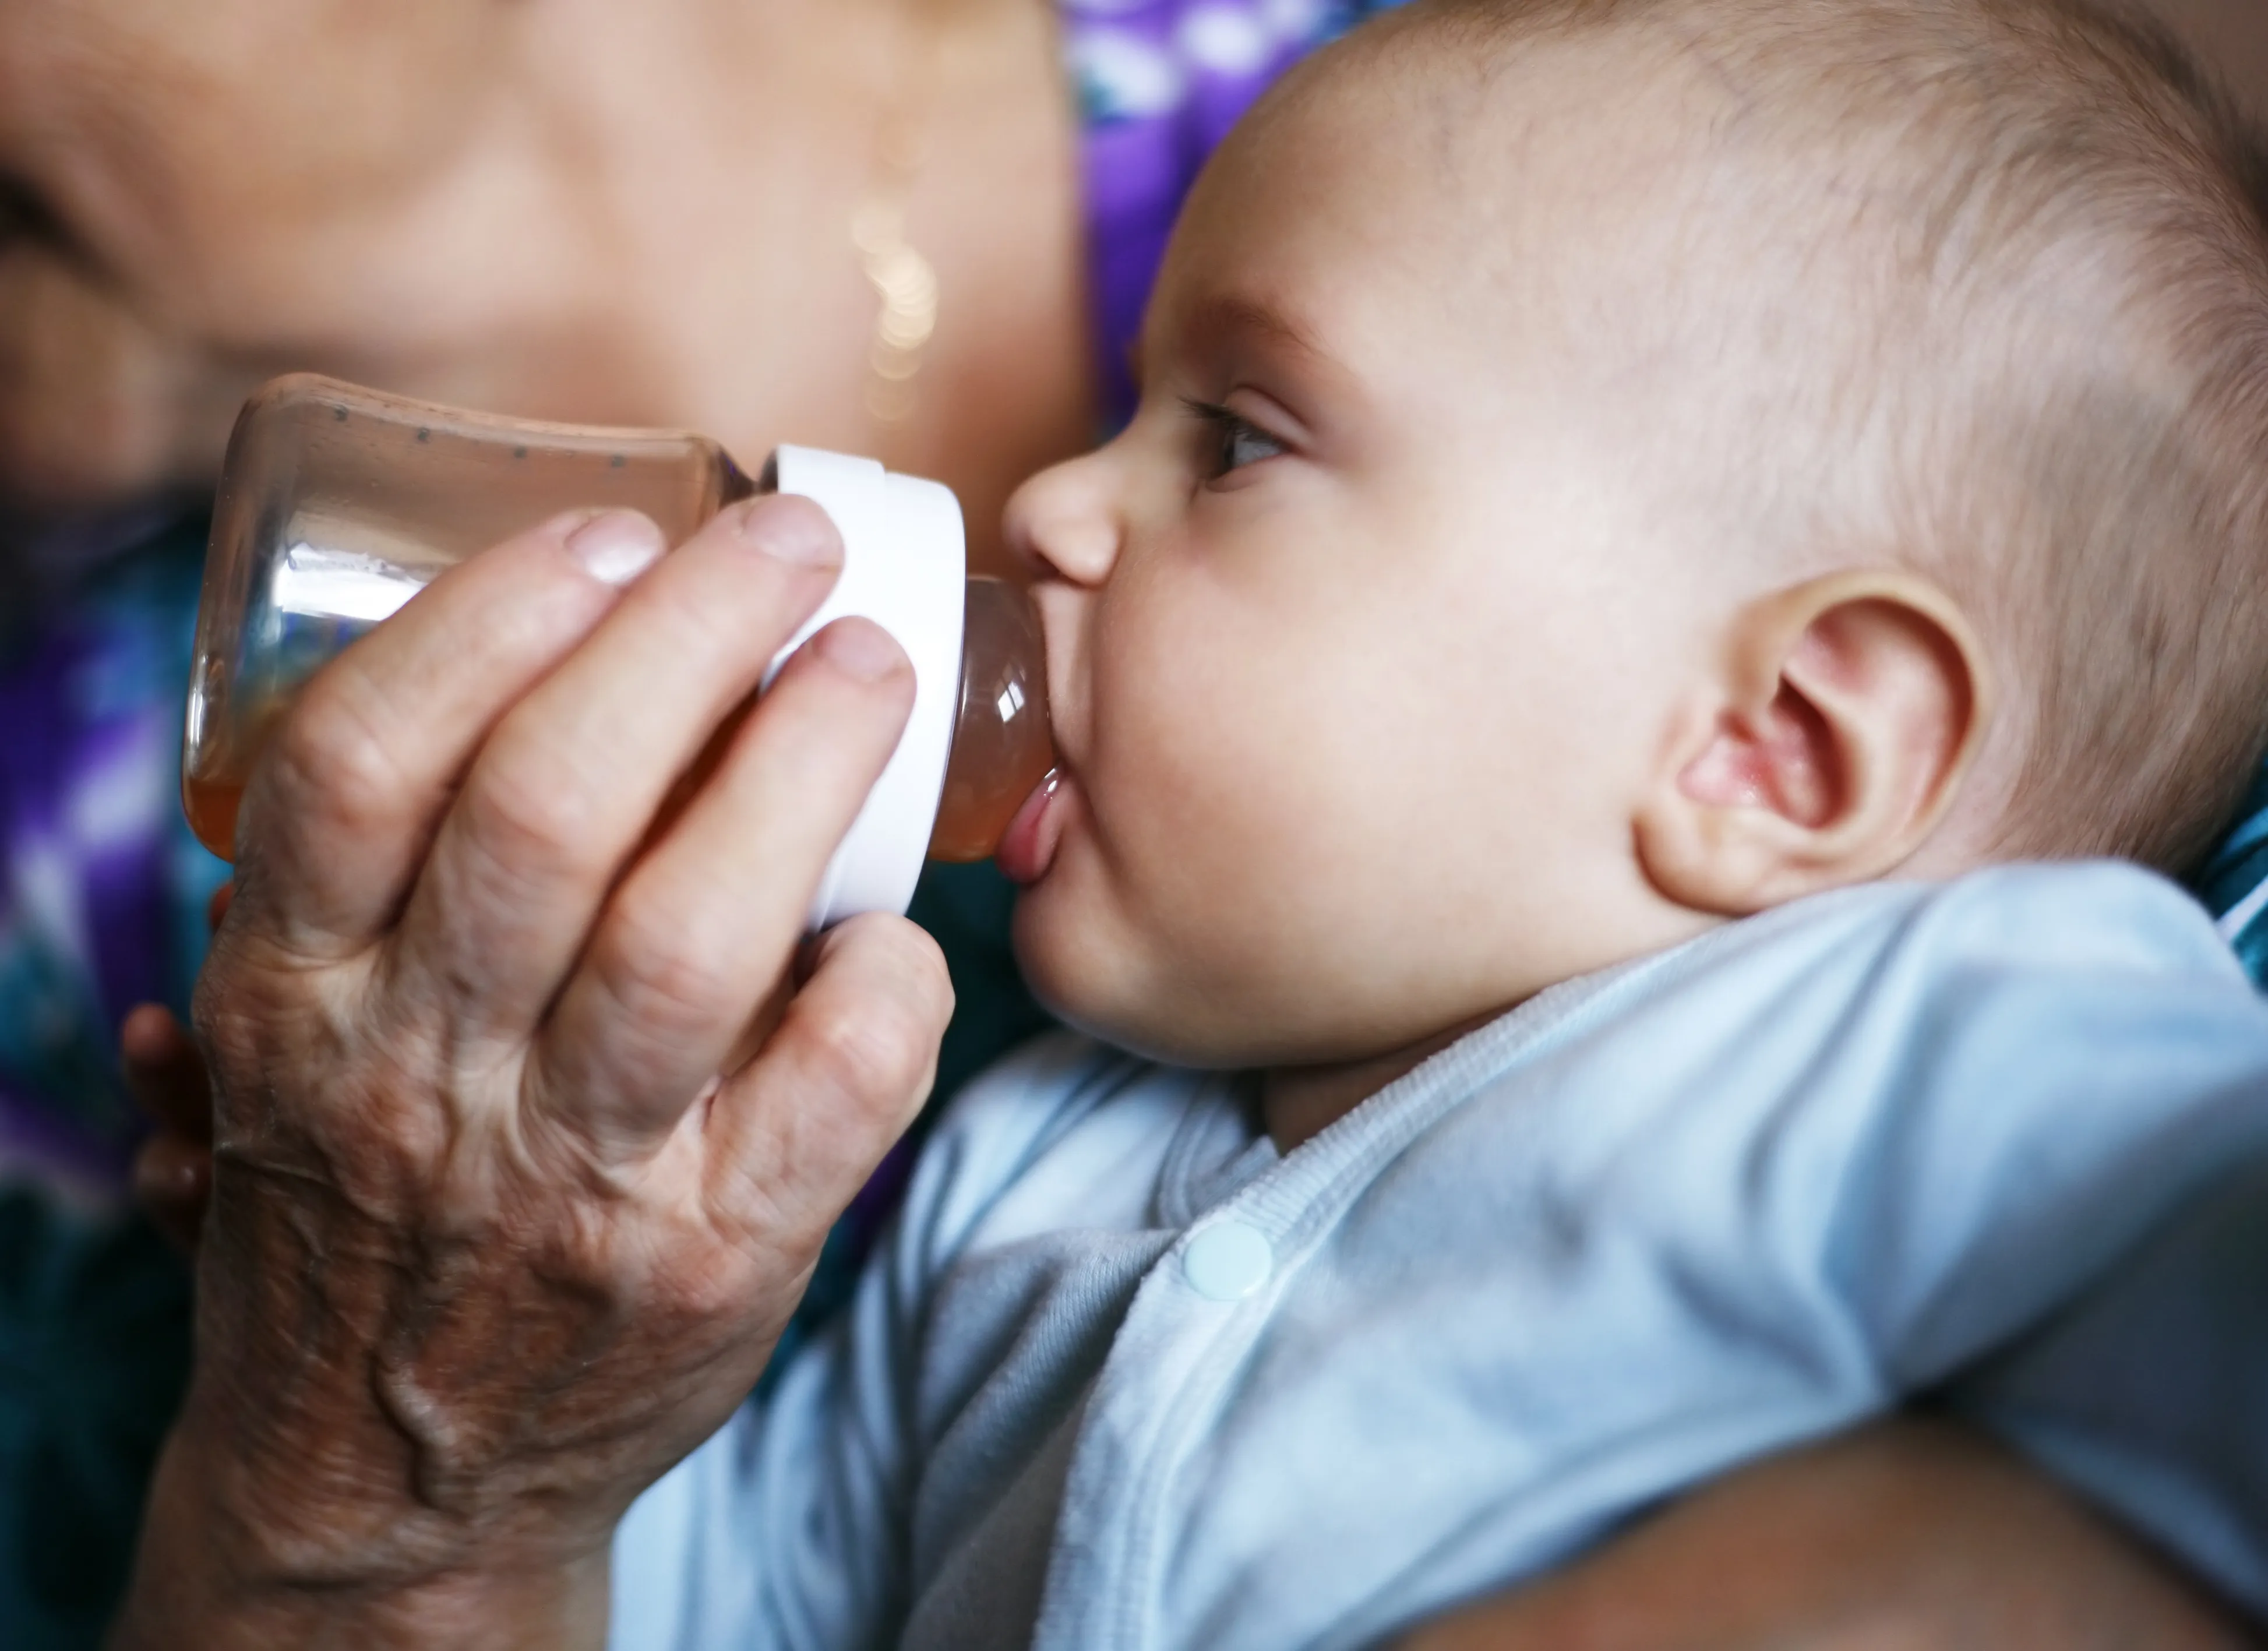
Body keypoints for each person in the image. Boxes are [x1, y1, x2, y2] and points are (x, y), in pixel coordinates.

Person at [0, 1, 2252, 1647]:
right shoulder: (1018, 1174)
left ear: (1778, 747)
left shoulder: (1950, 1048)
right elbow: (686, 1605)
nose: (1054, 505)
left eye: (1239, 440)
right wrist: (413, 1391)